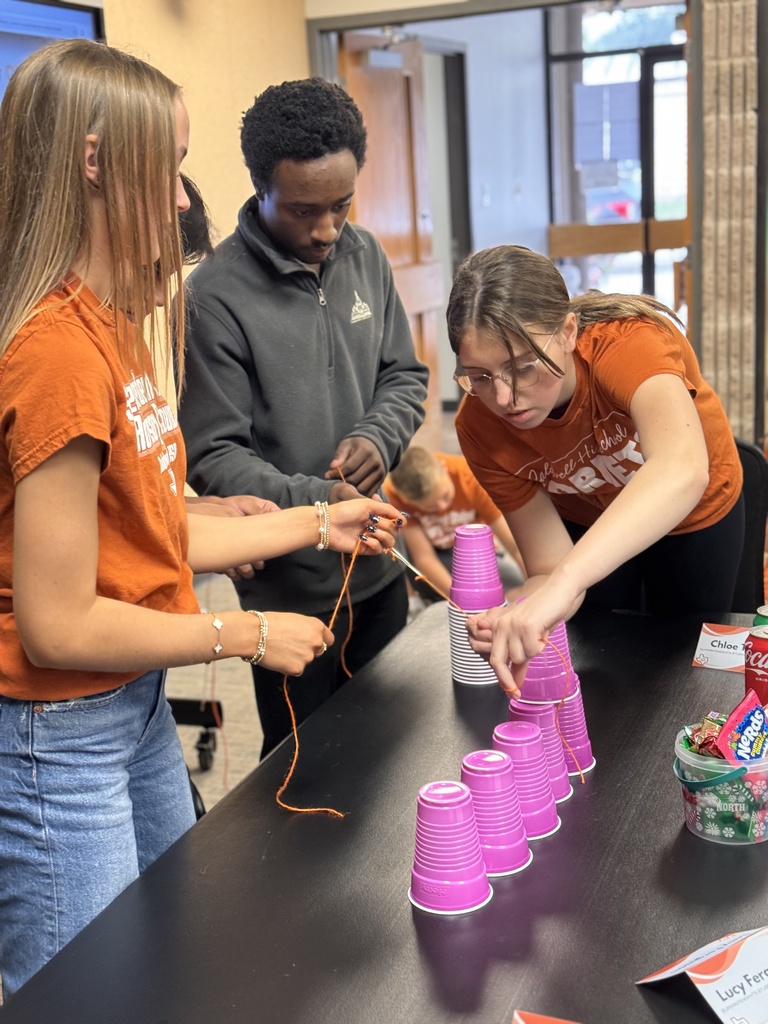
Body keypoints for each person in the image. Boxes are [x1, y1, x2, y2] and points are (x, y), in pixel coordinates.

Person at [0, 40, 405, 1000]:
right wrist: (243, 631)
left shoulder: (120, 328)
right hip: (56, 734)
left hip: (128, 704)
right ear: (98, 164)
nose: (187, 199)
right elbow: (57, 624)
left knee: (180, 953)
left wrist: (317, 525)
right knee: (88, 992)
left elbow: (152, 532)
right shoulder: (54, 352)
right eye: (171, 166)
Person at [178, 77, 429, 758]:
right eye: (301, 211)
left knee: (392, 752)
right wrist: (323, 503)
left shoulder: (365, 254)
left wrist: (381, 435)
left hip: (379, 569)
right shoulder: (213, 298)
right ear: (260, 189)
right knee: (303, 770)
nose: (325, 230)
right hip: (290, 589)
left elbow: (404, 376)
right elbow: (215, 455)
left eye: (341, 206)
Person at [446, 244, 744, 694]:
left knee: (687, 665)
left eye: (523, 368)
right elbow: (550, 565)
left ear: (568, 332)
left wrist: (566, 580)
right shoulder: (479, 426)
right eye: (480, 377)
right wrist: (523, 610)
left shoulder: (627, 344)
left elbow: (682, 468)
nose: (504, 399)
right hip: (589, 520)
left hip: (694, 513)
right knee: (607, 660)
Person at [385, 446, 525, 602]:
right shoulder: (395, 495)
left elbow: (514, 545)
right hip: (437, 553)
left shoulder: (469, 477)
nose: (442, 507)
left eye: (445, 496)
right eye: (430, 508)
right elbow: (424, 558)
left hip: (474, 548)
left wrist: (536, 580)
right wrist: (462, 600)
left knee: (515, 585)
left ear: (444, 469)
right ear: (407, 500)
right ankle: (425, 597)